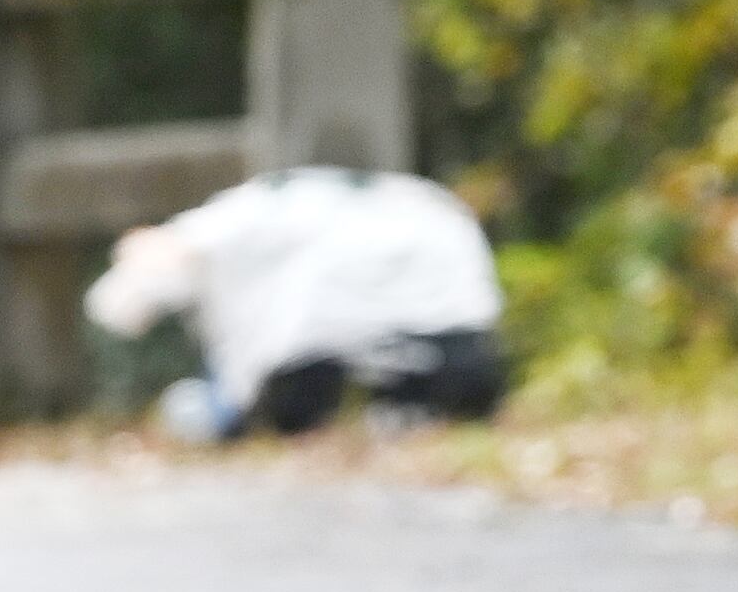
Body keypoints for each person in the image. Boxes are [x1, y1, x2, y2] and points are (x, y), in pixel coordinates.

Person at [84, 167, 510, 439]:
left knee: (280, 397)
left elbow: (132, 296)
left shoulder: (228, 227)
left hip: (375, 323)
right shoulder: (271, 208)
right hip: (452, 315)